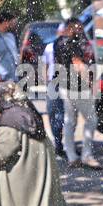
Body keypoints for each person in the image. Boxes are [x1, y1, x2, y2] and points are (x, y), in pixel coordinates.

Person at [55, 17, 100, 168]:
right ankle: (86, 155)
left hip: (64, 86)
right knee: (91, 120)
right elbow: (78, 65)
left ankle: (71, 156)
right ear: (70, 27)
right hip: (78, 88)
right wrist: (91, 83)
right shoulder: (72, 43)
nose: (80, 30)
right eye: (78, 27)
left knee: (69, 121)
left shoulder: (58, 42)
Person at [40, 26, 66, 157]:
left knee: (61, 114)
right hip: (52, 83)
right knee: (51, 112)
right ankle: (57, 140)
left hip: (64, 83)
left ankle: (59, 140)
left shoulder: (68, 46)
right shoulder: (50, 47)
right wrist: (46, 82)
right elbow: (46, 65)